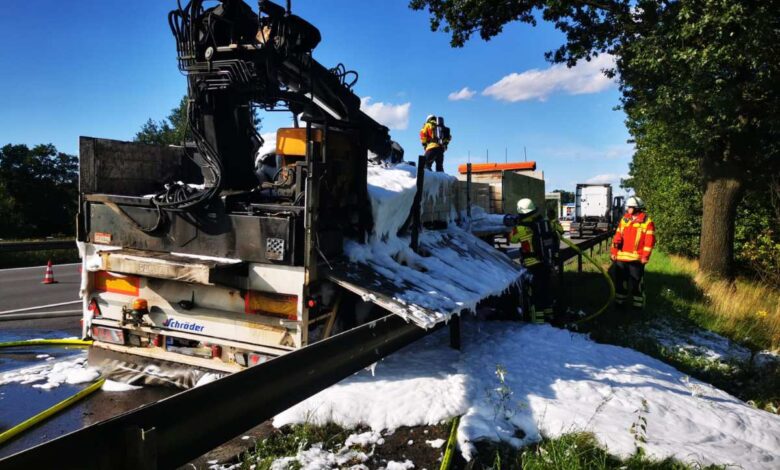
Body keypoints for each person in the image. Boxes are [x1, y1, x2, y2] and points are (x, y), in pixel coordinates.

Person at [509, 198, 558, 323]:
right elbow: (558, 233)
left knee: (535, 294)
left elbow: (512, 239)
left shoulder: (520, 228)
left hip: (532, 265)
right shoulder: (544, 223)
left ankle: (538, 322)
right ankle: (550, 317)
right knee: (546, 290)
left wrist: (515, 224)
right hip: (546, 262)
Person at [610, 196, 655, 309]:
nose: (628, 209)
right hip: (621, 258)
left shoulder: (647, 222)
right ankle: (620, 303)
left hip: (636, 259)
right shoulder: (624, 220)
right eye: (628, 207)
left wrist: (645, 257)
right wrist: (614, 252)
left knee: (636, 283)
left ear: (637, 208)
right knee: (620, 282)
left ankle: (638, 305)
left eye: (630, 207)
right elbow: (617, 237)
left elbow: (649, 242)